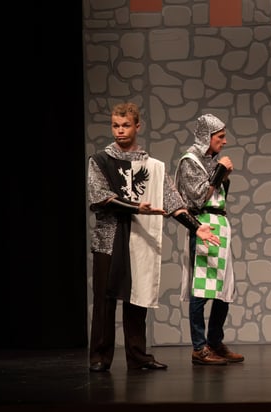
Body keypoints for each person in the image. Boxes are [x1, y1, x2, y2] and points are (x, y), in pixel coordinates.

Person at [88, 102, 218, 372]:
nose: (119, 130)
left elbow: (173, 201)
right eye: (115, 125)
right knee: (104, 299)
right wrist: (137, 207)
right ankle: (100, 355)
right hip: (109, 238)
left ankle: (137, 355)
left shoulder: (153, 167)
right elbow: (101, 196)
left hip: (141, 237)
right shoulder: (100, 160)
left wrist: (196, 227)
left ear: (137, 126)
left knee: (139, 296)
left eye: (125, 125)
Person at [174, 113, 245, 366]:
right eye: (220, 137)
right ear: (207, 137)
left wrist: (222, 175)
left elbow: (218, 197)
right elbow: (198, 197)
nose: (224, 141)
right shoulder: (190, 161)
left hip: (220, 224)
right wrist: (220, 172)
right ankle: (199, 347)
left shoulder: (211, 161)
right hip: (202, 223)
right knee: (201, 288)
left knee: (224, 289)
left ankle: (215, 341)